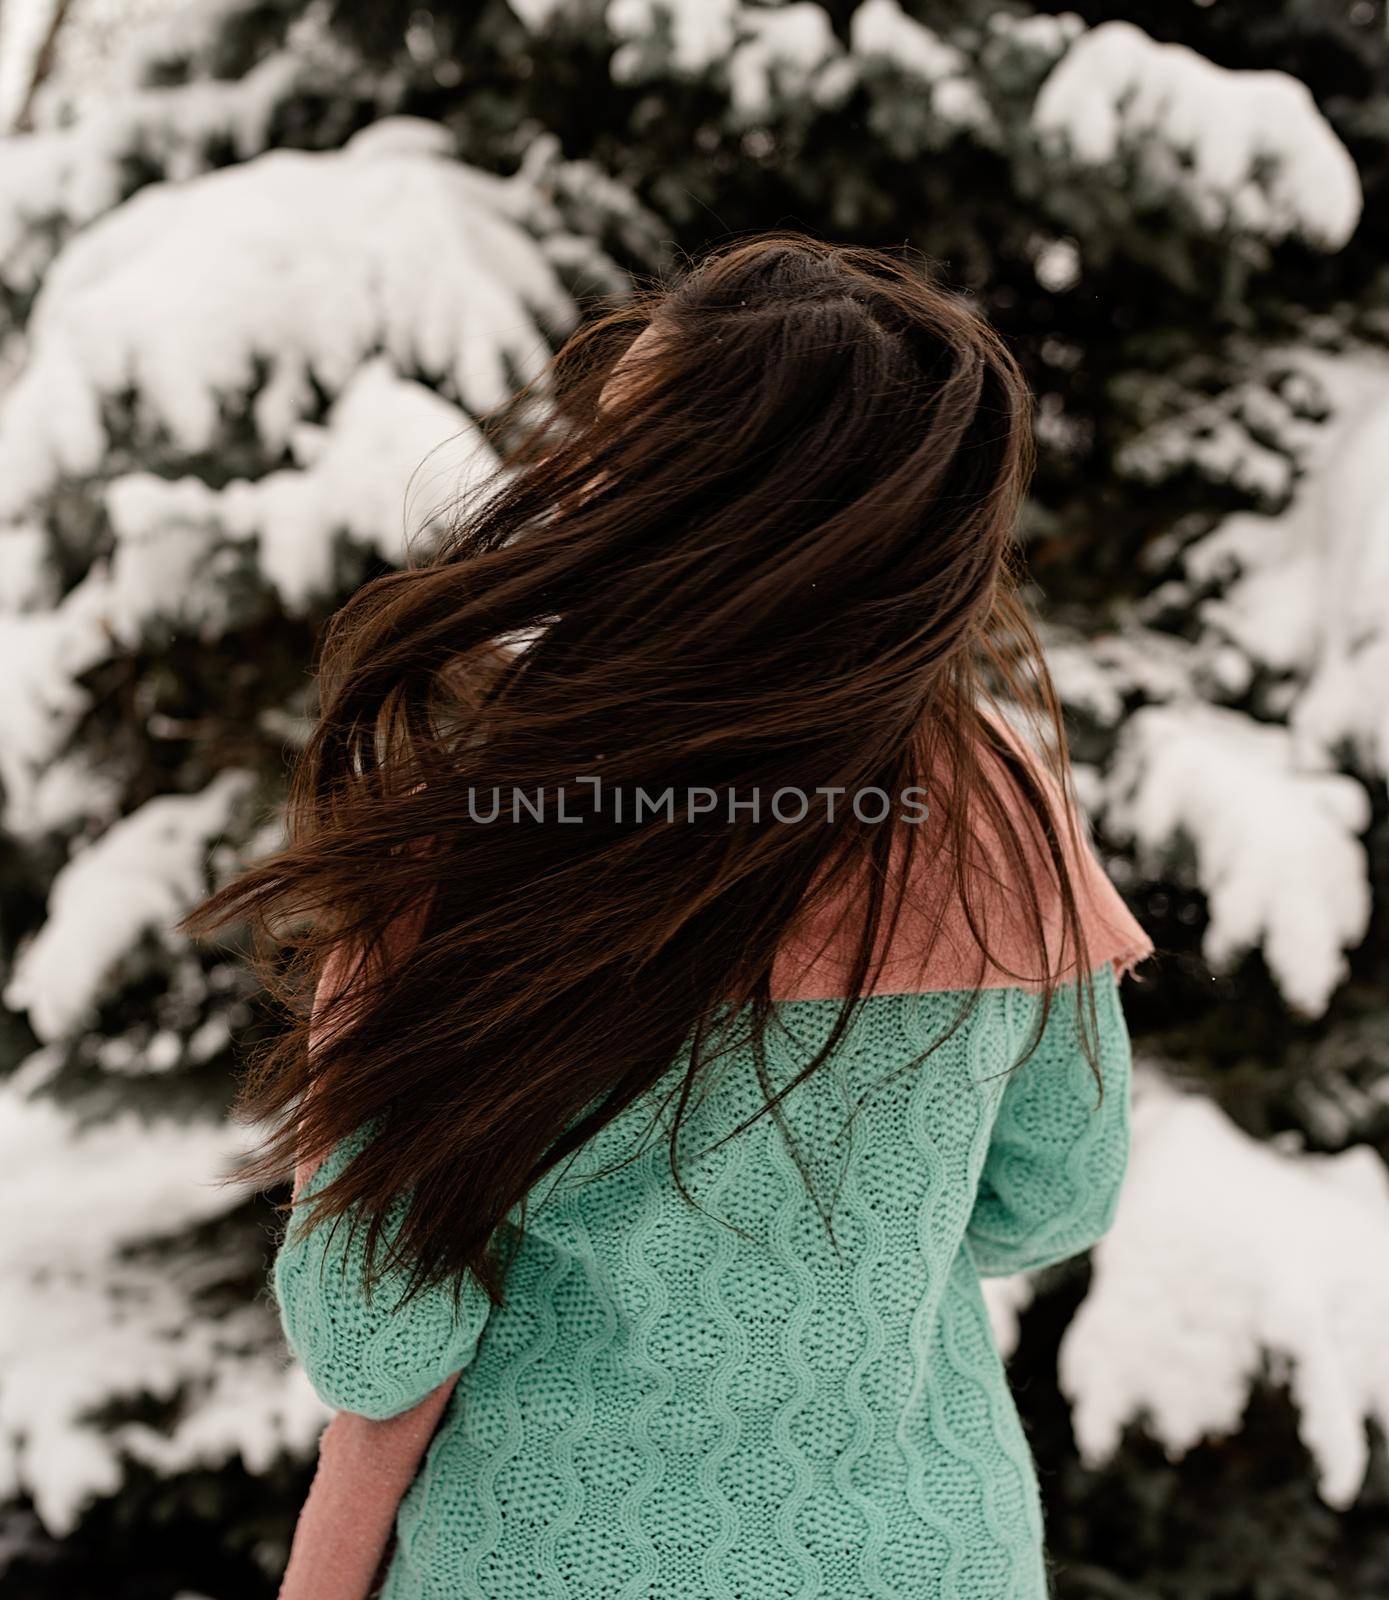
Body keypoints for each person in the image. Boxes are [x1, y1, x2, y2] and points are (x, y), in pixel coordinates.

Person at [186, 232, 1153, 1600]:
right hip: (919, 1557)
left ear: (659, 498)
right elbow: (1051, 1197)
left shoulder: (490, 827)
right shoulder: (995, 806)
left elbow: (372, 1334)